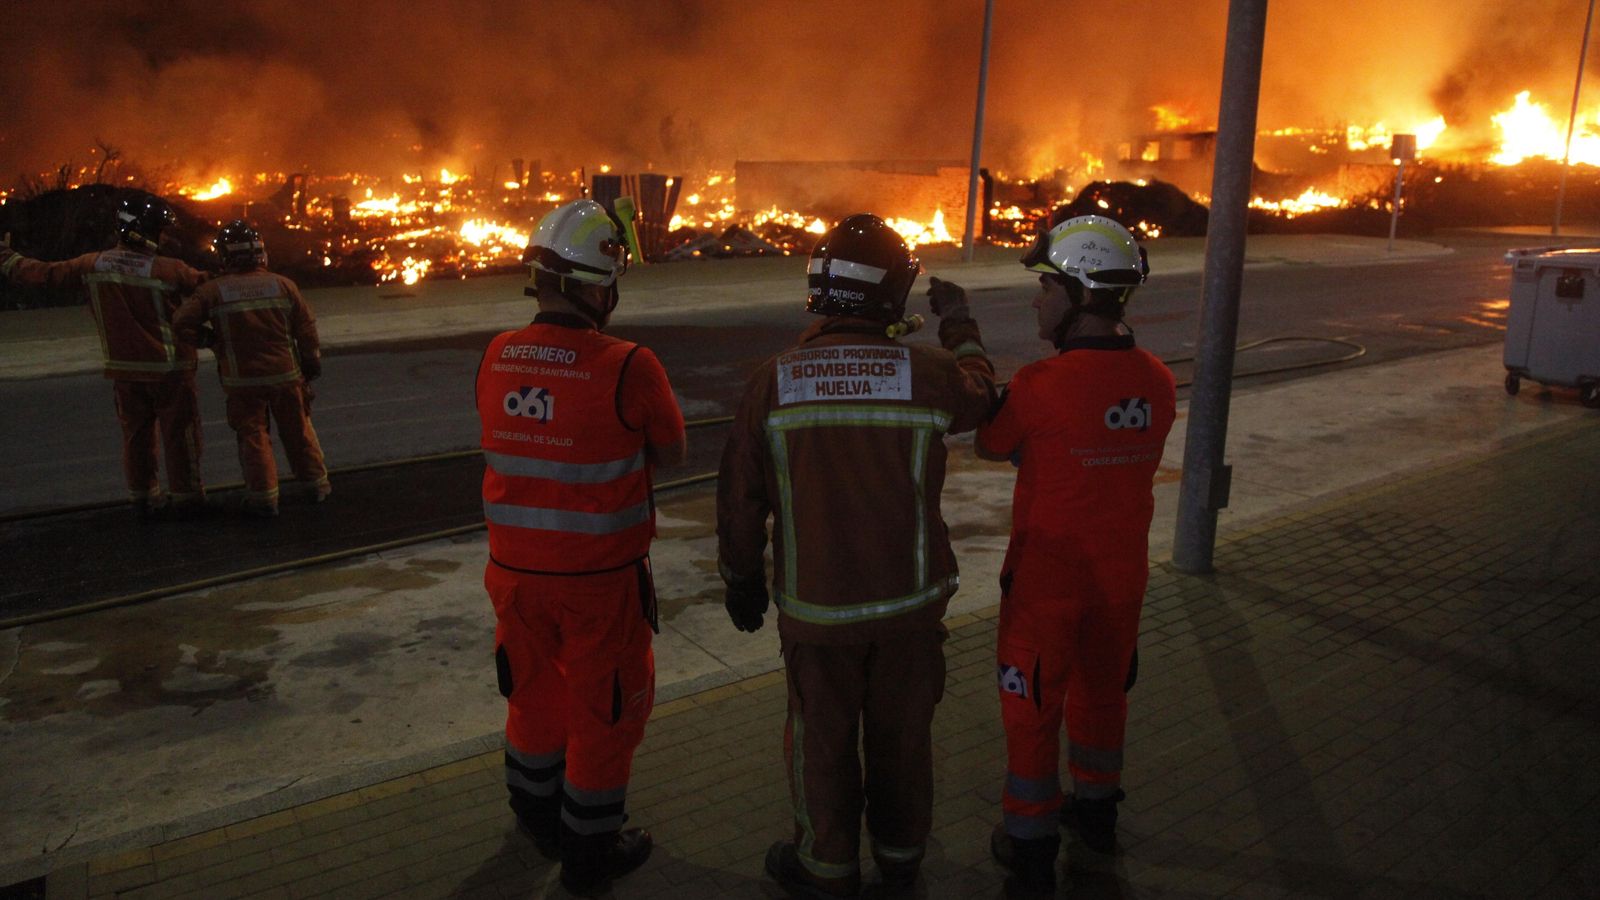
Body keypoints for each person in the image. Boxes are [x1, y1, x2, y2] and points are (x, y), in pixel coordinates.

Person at [717, 213, 996, 898]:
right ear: (891, 297)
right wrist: (960, 330)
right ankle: (901, 861)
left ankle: (826, 868)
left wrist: (743, 579)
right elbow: (982, 401)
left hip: (819, 613)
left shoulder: (772, 383)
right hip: (909, 606)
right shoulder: (928, 374)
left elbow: (739, 495)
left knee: (823, 744)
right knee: (903, 742)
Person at [475, 198, 686, 897]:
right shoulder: (628, 364)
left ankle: (535, 815)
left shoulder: (497, 354)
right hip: (600, 584)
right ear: (600, 285)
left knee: (532, 695)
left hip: (513, 577)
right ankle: (591, 847)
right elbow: (673, 451)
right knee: (606, 710)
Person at [977, 213, 1177, 896]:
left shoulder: (1040, 385)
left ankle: (1029, 841)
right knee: (1102, 700)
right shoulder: (1157, 380)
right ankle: (1096, 813)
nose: (1036, 299)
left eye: (1044, 285)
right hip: (1121, 583)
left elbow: (992, 442)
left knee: (1031, 707)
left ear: (1080, 292)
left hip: (1046, 587)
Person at [0, 195, 207, 517]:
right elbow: (211, 292)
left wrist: (5, 255)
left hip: (124, 371)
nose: (166, 237)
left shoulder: (92, 264)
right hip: (170, 371)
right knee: (180, 437)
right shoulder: (171, 270)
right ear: (145, 231)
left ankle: (142, 497)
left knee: (137, 438)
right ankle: (187, 500)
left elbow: (40, 273)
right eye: (162, 230)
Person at [173, 220, 329, 517]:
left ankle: (264, 500)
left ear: (225, 256)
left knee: (253, 437)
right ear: (260, 253)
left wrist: (208, 339)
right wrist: (311, 363)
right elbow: (306, 328)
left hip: (242, 381)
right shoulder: (283, 285)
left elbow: (181, 323)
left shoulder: (213, 291)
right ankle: (316, 486)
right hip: (286, 376)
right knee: (298, 431)